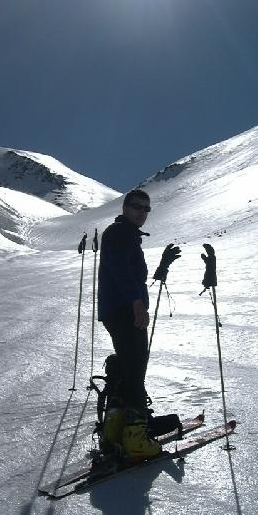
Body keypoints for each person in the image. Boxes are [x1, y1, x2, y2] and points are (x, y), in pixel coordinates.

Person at [98, 189, 180, 459]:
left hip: (119, 308)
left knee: (128, 365)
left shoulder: (125, 235)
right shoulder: (119, 234)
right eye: (136, 207)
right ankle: (135, 437)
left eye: (146, 209)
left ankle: (117, 427)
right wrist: (135, 301)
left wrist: (159, 270)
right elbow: (120, 269)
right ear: (124, 207)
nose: (141, 212)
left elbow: (128, 270)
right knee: (134, 368)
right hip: (124, 309)